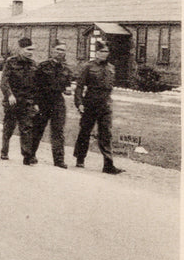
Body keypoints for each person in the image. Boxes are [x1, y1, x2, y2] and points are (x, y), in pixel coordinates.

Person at [73, 40, 124, 174]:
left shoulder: (111, 68)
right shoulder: (88, 67)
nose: (104, 54)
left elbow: (109, 86)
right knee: (85, 131)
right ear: (96, 53)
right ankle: (80, 158)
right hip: (90, 103)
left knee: (106, 133)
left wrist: (108, 101)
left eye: (106, 51)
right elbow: (79, 87)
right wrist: (79, 103)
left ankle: (108, 164)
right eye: (102, 51)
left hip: (105, 105)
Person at [31, 40, 73, 168]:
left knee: (58, 131)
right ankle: (31, 154)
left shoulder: (67, 69)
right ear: (52, 51)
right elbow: (34, 85)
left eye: (63, 50)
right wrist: (35, 103)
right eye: (58, 49)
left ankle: (59, 160)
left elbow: (67, 86)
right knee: (38, 129)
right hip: (43, 101)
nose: (61, 52)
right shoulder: (43, 66)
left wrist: (68, 90)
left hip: (57, 101)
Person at [0, 37, 39, 165]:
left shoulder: (33, 64)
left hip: (27, 101)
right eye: (28, 49)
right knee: (9, 127)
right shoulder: (11, 62)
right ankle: (4, 151)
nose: (31, 52)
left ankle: (27, 157)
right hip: (13, 101)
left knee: (26, 128)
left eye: (32, 50)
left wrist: (36, 102)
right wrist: (9, 95)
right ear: (21, 49)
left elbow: (36, 86)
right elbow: (4, 82)